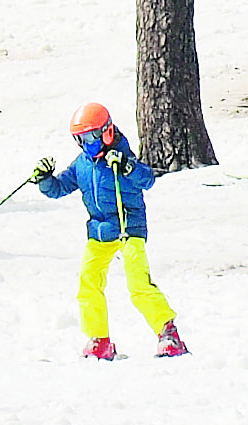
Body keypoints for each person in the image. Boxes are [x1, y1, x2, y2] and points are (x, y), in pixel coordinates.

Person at [32, 102, 188, 360]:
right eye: (80, 139)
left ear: (106, 132)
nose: (87, 144)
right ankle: (99, 339)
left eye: (91, 137)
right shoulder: (83, 164)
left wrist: (126, 166)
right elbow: (60, 187)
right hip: (100, 232)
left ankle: (168, 333)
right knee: (89, 281)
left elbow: (147, 179)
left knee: (138, 283)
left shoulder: (122, 156)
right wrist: (45, 179)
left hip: (129, 228)